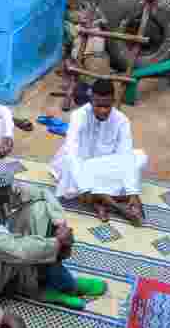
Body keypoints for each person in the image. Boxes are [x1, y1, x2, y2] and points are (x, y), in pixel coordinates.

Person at [0, 159, 107, 310]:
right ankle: (50, 285)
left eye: (8, 187)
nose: (9, 192)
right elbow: (14, 249)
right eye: (3, 190)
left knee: (40, 208)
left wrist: (59, 224)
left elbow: (42, 194)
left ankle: (48, 279)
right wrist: (57, 243)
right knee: (21, 249)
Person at [50, 79, 148, 226]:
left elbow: (125, 157)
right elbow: (72, 153)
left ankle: (99, 200)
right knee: (70, 165)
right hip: (80, 165)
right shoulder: (78, 116)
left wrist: (133, 192)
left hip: (102, 166)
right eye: (98, 105)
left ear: (113, 101)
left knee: (140, 158)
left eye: (107, 106)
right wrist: (85, 188)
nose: (103, 110)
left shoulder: (122, 121)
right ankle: (114, 204)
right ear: (91, 101)